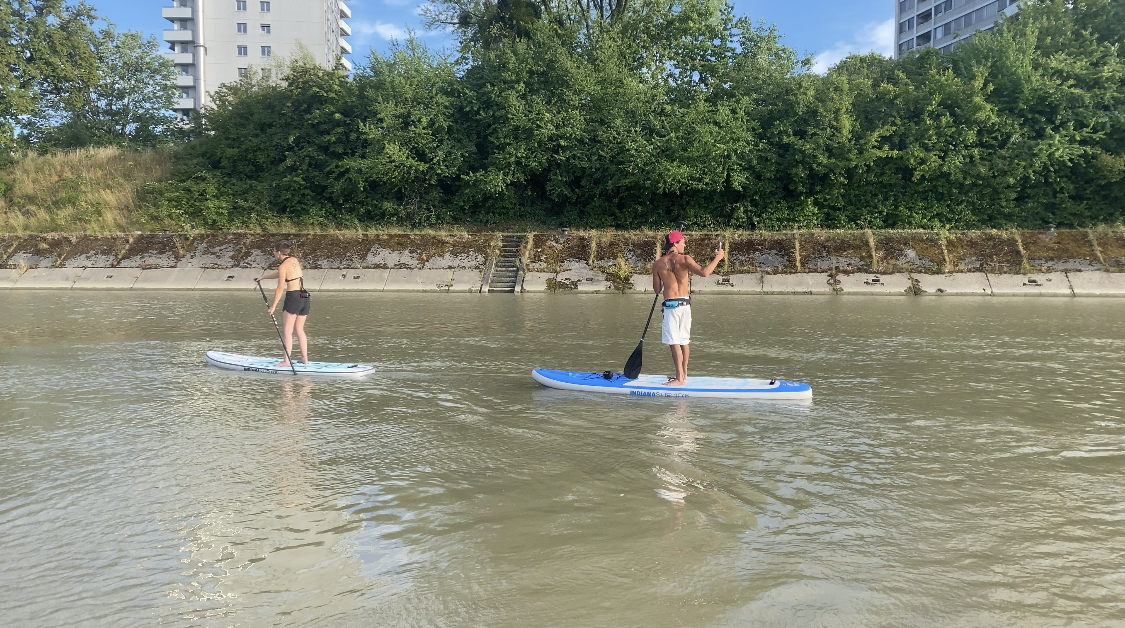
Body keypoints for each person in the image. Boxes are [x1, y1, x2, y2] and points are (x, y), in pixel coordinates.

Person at [651, 230, 724, 386]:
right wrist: (718, 257)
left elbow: (657, 290)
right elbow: (705, 273)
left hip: (671, 307)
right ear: (675, 243)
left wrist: (665, 278)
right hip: (685, 304)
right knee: (684, 341)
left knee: (674, 342)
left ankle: (679, 378)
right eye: (683, 241)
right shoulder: (685, 259)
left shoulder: (658, 264)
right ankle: (683, 374)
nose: (684, 244)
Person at [255, 242, 310, 367]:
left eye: (274, 251)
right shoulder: (293, 260)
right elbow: (283, 274)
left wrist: (273, 306)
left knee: (287, 331)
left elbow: (280, 288)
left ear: (279, 252)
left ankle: (286, 361)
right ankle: (305, 359)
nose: (273, 253)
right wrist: (263, 277)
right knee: (299, 329)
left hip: (293, 297)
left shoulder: (282, 266)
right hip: (305, 296)